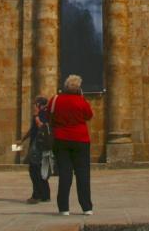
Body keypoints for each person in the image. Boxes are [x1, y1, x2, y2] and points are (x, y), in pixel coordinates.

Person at [50, 74, 93, 216]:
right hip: (80, 140)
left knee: (64, 174)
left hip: (61, 140)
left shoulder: (55, 100)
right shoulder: (81, 101)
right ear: (78, 88)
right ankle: (86, 207)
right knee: (83, 174)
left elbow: (49, 115)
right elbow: (89, 115)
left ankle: (64, 208)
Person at [19, 96, 51, 204]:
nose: (33, 106)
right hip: (36, 145)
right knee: (40, 171)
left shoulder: (44, 114)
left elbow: (41, 126)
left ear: (39, 105)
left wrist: (36, 115)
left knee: (34, 171)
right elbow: (33, 129)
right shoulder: (40, 114)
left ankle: (36, 195)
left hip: (39, 147)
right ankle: (45, 195)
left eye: (35, 104)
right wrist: (23, 139)